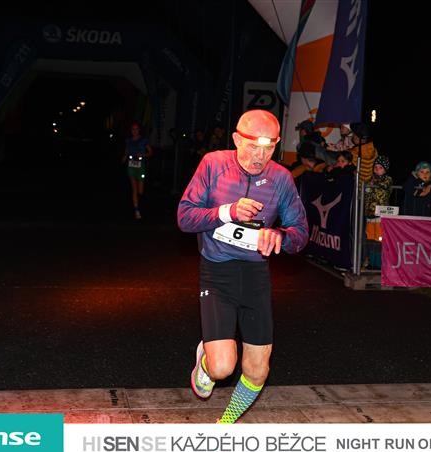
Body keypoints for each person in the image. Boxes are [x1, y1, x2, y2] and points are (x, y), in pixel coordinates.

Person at [177, 109, 308, 424]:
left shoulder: (281, 178)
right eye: (253, 146)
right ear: (236, 139)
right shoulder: (213, 164)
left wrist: (280, 236)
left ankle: (225, 425)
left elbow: (301, 234)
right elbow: (184, 217)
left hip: (255, 276)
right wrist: (227, 212)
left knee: (257, 369)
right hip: (217, 272)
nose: (260, 156)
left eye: (269, 147)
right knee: (222, 367)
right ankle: (206, 361)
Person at [121, 122, 153, 220]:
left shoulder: (144, 140)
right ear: (131, 131)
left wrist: (143, 155)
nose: (134, 131)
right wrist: (124, 157)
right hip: (131, 166)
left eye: (136, 129)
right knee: (134, 189)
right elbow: (127, 150)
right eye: (133, 129)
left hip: (140, 166)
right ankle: (136, 210)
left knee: (140, 191)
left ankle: (141, 205)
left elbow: (151, 152)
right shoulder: (128, 141)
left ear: (139, 130)